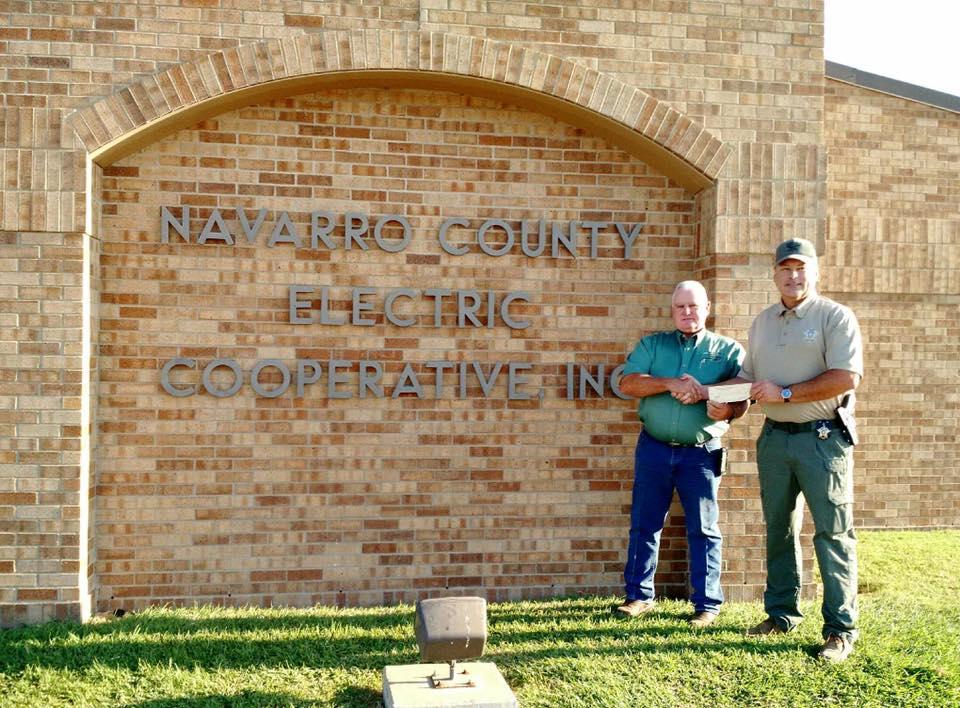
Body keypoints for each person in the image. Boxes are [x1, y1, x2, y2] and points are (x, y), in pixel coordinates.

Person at [728, 237, 863, 663]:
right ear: (774, 274)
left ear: (814, 272)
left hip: (822, 441)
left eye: (800, 268)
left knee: (832, 534)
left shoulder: (834, 317)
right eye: (785, 269)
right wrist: (721, 401)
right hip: (774, 440)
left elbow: (846, 377)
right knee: (779, 528)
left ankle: (840, 630)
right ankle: (781, 613)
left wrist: (785, 393)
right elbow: (749, 378)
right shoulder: (764, 321)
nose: (793, 276)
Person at [615, 281, 746, 628]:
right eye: (680, 307)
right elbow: (627, 383)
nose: (687, 313)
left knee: (704, 529)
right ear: (672, 310)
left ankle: (707, 605)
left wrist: (708, 396)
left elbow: (744, 395)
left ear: (707, 308)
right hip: (654, 449)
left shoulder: (727, 350)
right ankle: (639, 597)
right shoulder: (653, 345)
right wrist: (671, 383)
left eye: (693, 306)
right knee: (645, 524)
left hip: (701, 453)